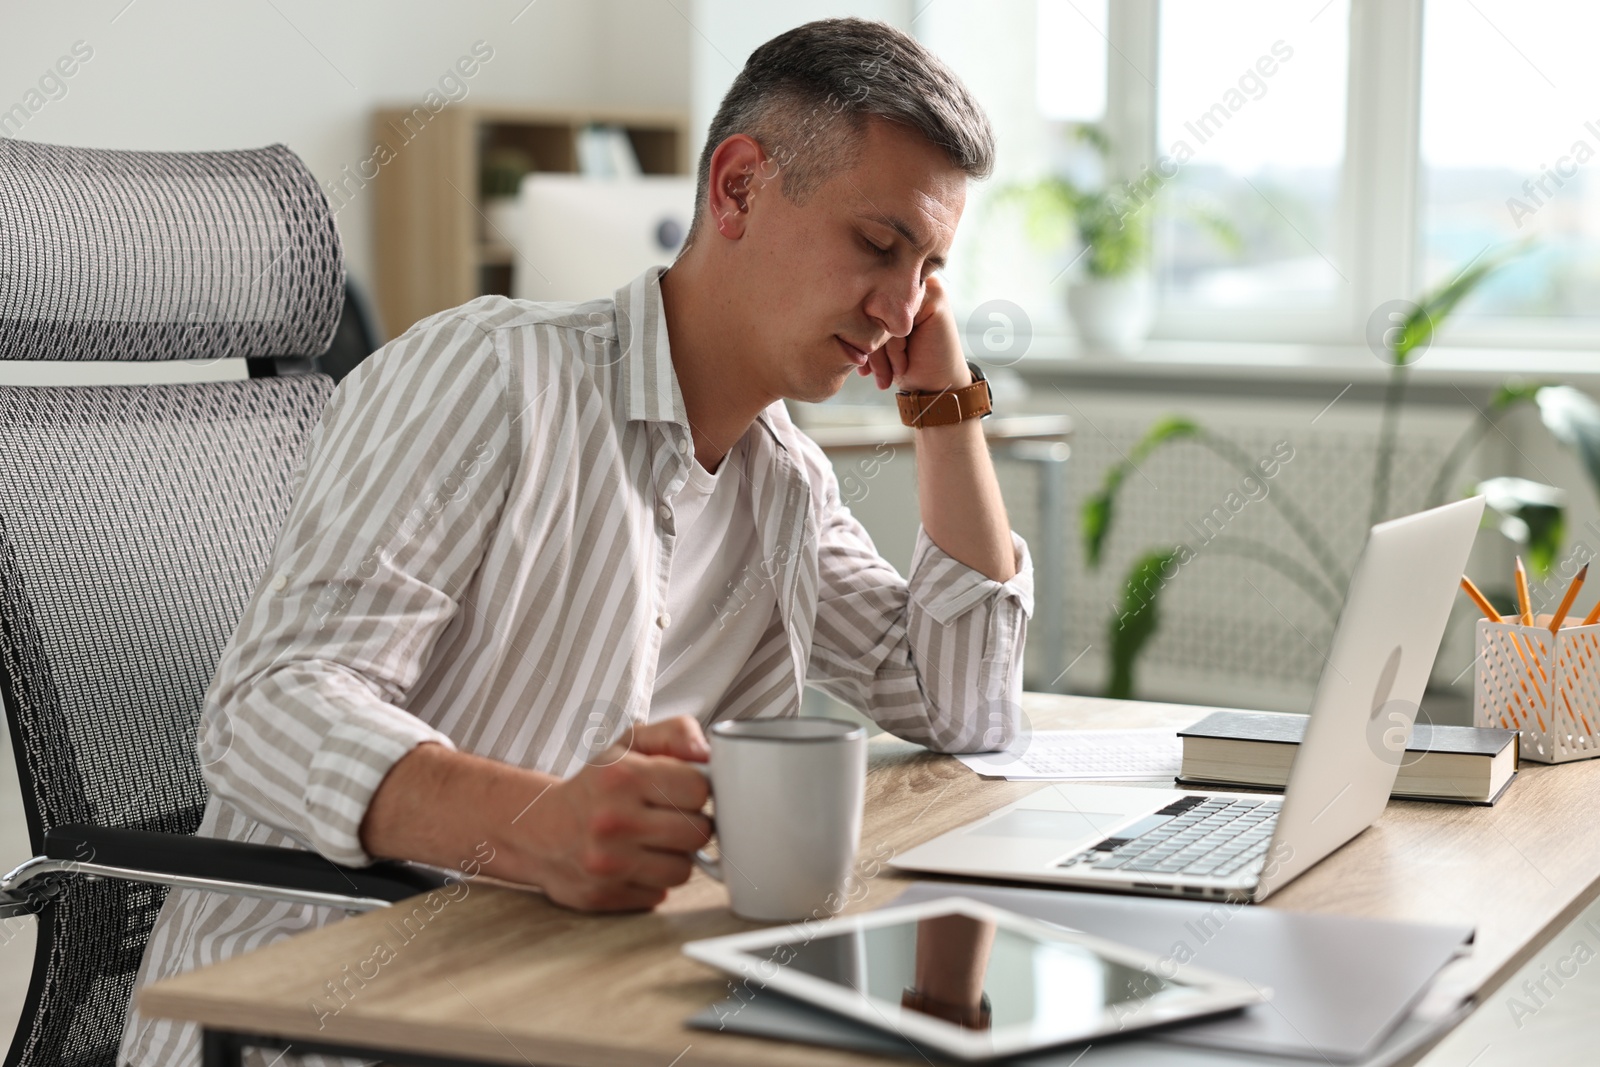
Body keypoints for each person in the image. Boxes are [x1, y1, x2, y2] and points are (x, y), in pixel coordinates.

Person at [120, 17, 1032, 1066]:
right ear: (735, 189)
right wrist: (538, 824)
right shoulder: (488, 380)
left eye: (929, 269)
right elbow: (264, 708)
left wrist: (946, 405)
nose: (899, 304)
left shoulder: (783, 482)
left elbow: (965, 701)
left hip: (581, 1006)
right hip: (327, 1020)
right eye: (878, 245)